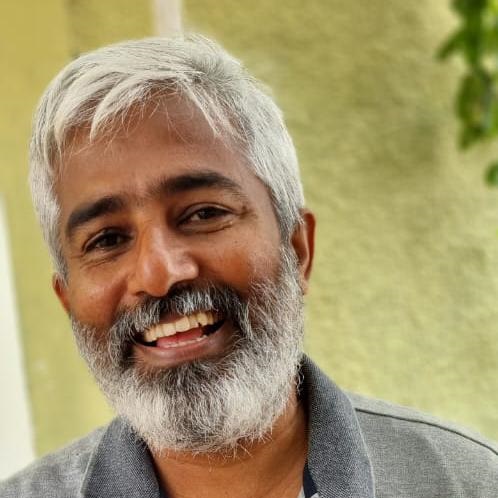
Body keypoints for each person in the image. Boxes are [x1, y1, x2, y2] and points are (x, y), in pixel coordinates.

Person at [1, 34, 497, 498]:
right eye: (107, 239)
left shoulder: (466, 483)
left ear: (297, 249)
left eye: (203, 214)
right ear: (68, 300)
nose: (159, 272)